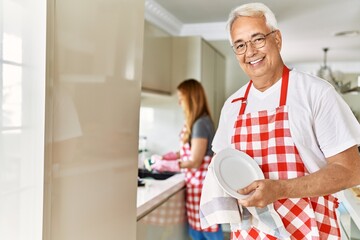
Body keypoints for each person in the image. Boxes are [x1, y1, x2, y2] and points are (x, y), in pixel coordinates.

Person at [206, 2, 360, 239]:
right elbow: (221, 171)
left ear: (277, 39)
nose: (250, 51)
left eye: (258, 39)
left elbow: (351, 171)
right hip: (253, 233)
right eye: (240, 44)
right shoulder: (232, 106)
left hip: (313, 231)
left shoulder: (316, 93)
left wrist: (281, 189)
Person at [151, 79, 224, 240]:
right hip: (196, 188)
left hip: (201, 188)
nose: (179, 103)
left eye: (181, 98)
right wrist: (169, 156)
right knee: (200, 230)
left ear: (191, 98)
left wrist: (167, 164)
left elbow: (195, 161)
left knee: (208, 231)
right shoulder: (197, 121)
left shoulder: (200, 123)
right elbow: (190, 149)